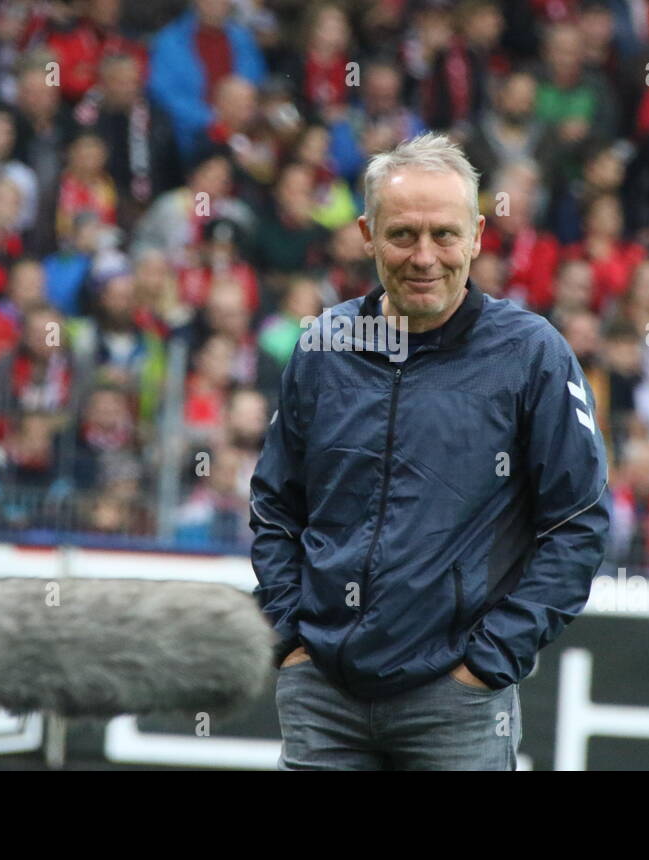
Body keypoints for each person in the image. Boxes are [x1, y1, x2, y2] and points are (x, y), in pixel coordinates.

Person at [251, 133, 609, 770]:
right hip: (322, 696)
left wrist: (488, 662)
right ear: (366, 233)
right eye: (402, 235)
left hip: (460, 705)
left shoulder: (531, 355)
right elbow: (276, 508)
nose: (424, 257)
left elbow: (576, 524)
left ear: (476, 234)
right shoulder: (323, 346)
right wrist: (291, 638)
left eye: (444, 235)